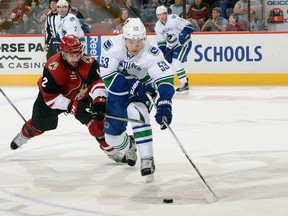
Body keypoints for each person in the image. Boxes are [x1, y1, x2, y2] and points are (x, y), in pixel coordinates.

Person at [10, 35, 109, 158]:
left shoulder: (89, 63)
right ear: (63, 53)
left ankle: (113, 151)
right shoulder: (52, 67)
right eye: (71, 55)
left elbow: (97, 84)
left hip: (77, 96)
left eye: (78, 54)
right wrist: (71, 106)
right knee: (37, 127)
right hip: (50, 100)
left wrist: (99, 101)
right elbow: (50, 98)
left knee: (97, 125)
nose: (75, 59)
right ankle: (23, 136)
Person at [100, 18, 175, 179]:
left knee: (136, 111)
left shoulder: (152, 53)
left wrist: (165, 103)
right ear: (124, 38)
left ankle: (147, 158)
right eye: (131, 41)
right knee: (111, 139)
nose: (135, 46)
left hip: (142, 91)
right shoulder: (112, 47)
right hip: (118, 92)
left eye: (139, 41)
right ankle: (130, 145)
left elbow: (165, 79)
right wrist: (133, 84)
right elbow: (109, 79)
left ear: (144, 39)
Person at [155, 5, 193, 94]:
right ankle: (163, 83)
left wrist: (184, 33)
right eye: (160, 15)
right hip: (171, 45)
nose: (162, 16)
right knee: (166, 64)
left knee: (176, 62)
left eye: (163, 14)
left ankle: (184, 84)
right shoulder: (158, 26)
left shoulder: (174, 19)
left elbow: (190, 27)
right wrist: (164, 52)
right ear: (157, 16)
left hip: (184, 43)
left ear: (166, 13)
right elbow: (161, 42)